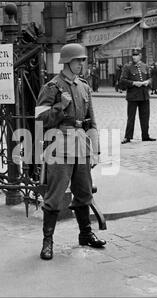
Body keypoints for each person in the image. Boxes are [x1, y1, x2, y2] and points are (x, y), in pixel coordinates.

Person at [35, 43, 106, 260]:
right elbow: (40, 118)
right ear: (67, 62)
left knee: (84, 192)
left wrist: (95, 150)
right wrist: (59, 107)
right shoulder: (52, 87)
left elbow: (91, 121)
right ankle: (48, 242)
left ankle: (85, 234)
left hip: (81, 144)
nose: (82, 64)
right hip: (59, 145)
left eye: (83, 60)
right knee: (55, 196)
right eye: (78, 61)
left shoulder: (84, 86)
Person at [119, 48, 156, 144]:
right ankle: (127, 137)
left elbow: (150, 78)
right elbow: (122, 80)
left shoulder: (145, 66)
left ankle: (145, 135)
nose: (134, 57)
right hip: (133, 95)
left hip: (144, 95)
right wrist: (134, 83)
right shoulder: (127, 67)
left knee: (145, 116)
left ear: (140, 56)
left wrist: (147, 82)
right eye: (133, 55)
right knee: (131, 117)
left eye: (136, 55)